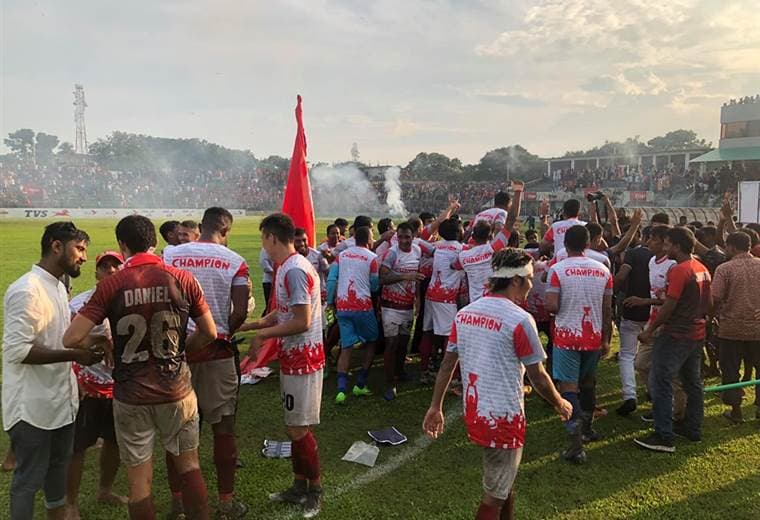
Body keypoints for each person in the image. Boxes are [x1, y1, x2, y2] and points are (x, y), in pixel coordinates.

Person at [63, 215, 217, 519]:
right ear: (155, 242)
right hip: (176, 388)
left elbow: (71, 338)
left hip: (131, 393)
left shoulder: (111, 285)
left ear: (122, 245)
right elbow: (209, 333)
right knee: (190, 467)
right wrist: (180, 352)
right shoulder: (182, 278)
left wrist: (102, 342)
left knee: (138, 481)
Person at [423, 249, 572, 520]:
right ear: (515, 280)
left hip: (476, 412)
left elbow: (447, 364)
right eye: (529, 278)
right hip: (503, 417)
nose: (532, 285)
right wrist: (559, 402)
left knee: (504, 480)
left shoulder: (465, 314)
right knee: (494, 494)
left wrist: (436, 406)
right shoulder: (519, 320)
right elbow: (538, 376)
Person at [3, 222, 105, 520]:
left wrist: (93, 343)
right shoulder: (27, 290)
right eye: (79, 249)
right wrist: (75, 355)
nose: (84, 257)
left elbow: (57, 338)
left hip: (61, 401)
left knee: (58, 471)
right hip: (31, 406)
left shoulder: (59, 286)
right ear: (56, 246)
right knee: (28, 480)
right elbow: (17, 351)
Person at [163, 207, 251, 519]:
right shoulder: (234, 260)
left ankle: (177, 502)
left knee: (178, 429)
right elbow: (241, 311)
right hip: (217, 350)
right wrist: (225, 329)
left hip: (177, 351)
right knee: (223, 427)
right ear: (225, 231)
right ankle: (226, 502)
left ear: (201, 227)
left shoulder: (171, 255)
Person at [246, 213, 324, 518]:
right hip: (293, 358)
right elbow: (283, 312)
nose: (262, 245)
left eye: (262, 238)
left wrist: (263, 335)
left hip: (304, 359)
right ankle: (299, 486)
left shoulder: (294, 270)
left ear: (271, 237)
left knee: (298, 428)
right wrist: (252, 325)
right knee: (294, 426)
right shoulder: (287, 267)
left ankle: (315, 491)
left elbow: (302, 321)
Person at [636, 227, 710, 452]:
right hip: (696, 334)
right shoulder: (702, 268)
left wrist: (650, 330)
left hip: (676, 335)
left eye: (667, 244)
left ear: (677, 246)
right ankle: (692, 428)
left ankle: (664, 435)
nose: (665, 248)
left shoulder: (679, 270)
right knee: (692, 383)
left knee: (661, 381)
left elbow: (669, 305)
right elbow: (710, 303)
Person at [66, 251, 127, 520]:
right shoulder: (79, 304)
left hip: (120, 386)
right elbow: (66, 341)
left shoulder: (131, 301)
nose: (111, 270)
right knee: (77, 446)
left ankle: (105, 490)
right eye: (105, 266)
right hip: (87, 386)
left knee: (114, 442)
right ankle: (70, 504)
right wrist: (98, 343)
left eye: (116, 265)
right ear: (96, 272)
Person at [545, 225, 613, 463]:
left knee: (569, 389)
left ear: (565, 245)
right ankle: (588, 429)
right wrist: (606, 338)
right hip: (593, 336)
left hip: (567, 337)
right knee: (588, 383)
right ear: (588, 243)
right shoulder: (603, 270)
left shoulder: (557, 270)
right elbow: (607, 308)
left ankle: (576, 444)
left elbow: (552, 306)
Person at [327, 226, 380, 404]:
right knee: (371, 343)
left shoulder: (341, 256)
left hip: (343, 307)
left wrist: (330, 301)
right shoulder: (372, 258)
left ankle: (341, 390)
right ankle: (360, 384)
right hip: (363, 307)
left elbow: (332, 279)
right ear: (369, 240)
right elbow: (374, 285)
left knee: (346, 347)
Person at [712, 232, 760, 423]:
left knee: (730, 369)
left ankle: (736, 410)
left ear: (731, 247)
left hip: (731, 328)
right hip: (757, 329)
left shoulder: (725, 269)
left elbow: (715, 297)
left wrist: (712, 316)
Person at [379, 222, 425, 401]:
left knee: (403, 342)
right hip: (390, 305)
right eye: (401, 237)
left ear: (413, 237)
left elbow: (417, 277)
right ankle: (389, 383)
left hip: (407, 305)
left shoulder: (417, 251)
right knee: (391, 344)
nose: (404, 241)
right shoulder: (392, 253)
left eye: (407, 237)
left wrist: (418, 298)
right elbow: (383, 278)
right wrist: (405, 276)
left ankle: (400, 372)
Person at [613, 226, 653, 416]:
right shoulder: (667, 257)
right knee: (653, 354)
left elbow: (621, 276)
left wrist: (611, 291)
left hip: (632, 308)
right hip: (655, 311)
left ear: (644, 237)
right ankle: (652, 390)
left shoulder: (634, 254)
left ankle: (629, 395)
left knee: (627, 355)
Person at [420, 218, 464, 384]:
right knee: (450, 337)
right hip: (446, 298)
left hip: (430, 294)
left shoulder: (437, 246)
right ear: (458, 232)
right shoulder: (462, 249)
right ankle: (452, 377)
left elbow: (421, 241)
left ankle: (424, 370)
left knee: (427, 332)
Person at [260, 248, 275, 314]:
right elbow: (263, 262)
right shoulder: (267, 247)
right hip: (269, 282)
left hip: (280, 282)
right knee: (270, 306)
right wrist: (274, 273)